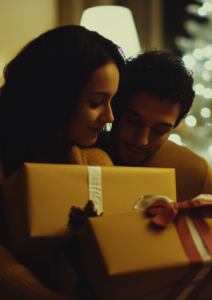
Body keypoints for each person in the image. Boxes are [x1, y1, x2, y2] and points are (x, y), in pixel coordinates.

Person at [0, 25, 125, 299]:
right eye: (96, 102)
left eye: (112, 101)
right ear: (54, 99)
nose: (110, 117)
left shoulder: (92, 155)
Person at [97, 50, 212, 203]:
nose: (142, 141)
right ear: (115, 109)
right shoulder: (80, 153)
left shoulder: (195, 173)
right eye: (133, 121)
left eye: (160, 130)